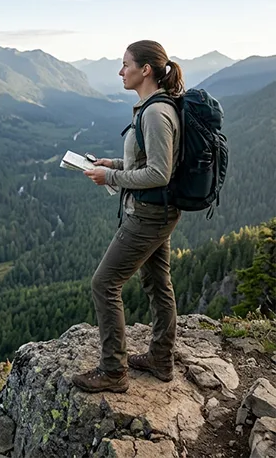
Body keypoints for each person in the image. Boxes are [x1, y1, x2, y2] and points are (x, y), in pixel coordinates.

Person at [72, 40, 184, 393]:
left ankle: (113, 371)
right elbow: (149, 162)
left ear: (145, 70)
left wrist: (111, 177)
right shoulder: (155, 107)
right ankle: (160, 359)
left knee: (104, 284)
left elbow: (159, 173)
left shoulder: (154, 113)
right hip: (159, 211)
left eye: (126, 65)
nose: (121, 71)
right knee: (157, 283)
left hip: (148, 215)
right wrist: (114, 164)